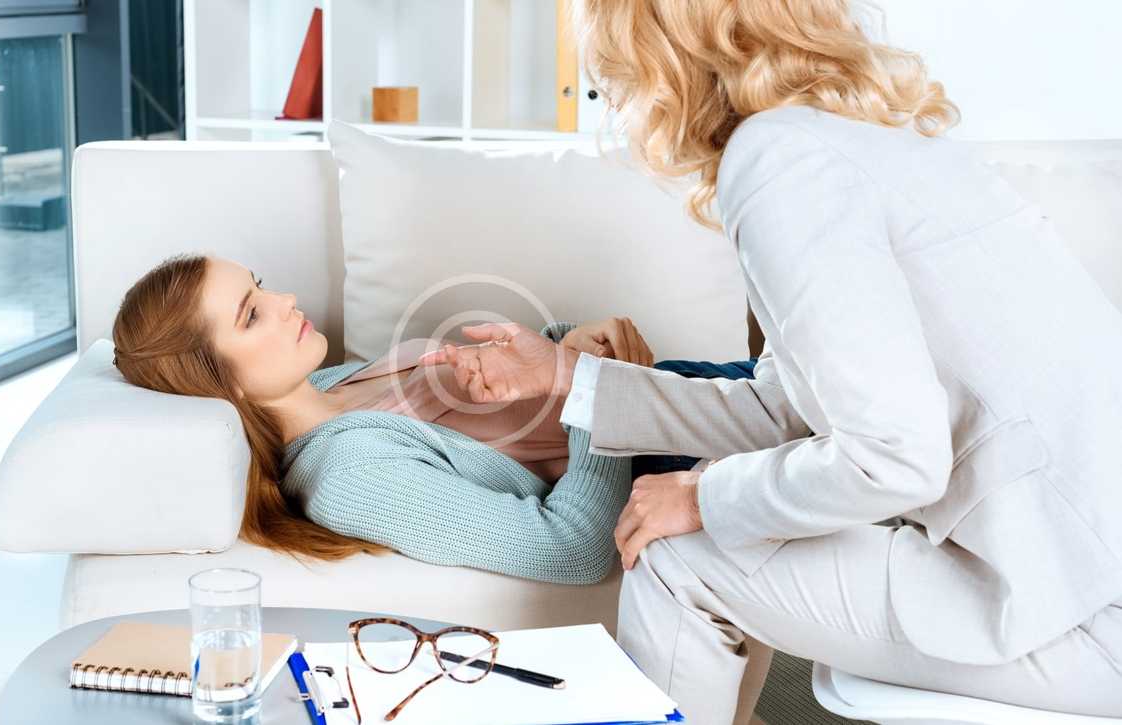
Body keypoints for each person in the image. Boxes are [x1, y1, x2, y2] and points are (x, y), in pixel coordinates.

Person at [419, 0, 1122, 720]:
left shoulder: (780, 160)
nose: (611, 85)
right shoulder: (866, 139)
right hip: (1079, 575)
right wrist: (565, 376)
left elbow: (893, 457)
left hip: (1075, 608)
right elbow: (786, 409)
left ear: (658, 48)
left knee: (676, 559)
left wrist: (701, 496)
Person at [110, 253, 655, 585]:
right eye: (252, 314)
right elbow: (572, 550)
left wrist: (567, 348)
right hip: (670, 457)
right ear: (220, 384)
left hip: (665, 391)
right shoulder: (350, 477)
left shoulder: (330, 383)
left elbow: (519, 401)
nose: (286, 300)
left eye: (261, 285)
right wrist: (602, 394)